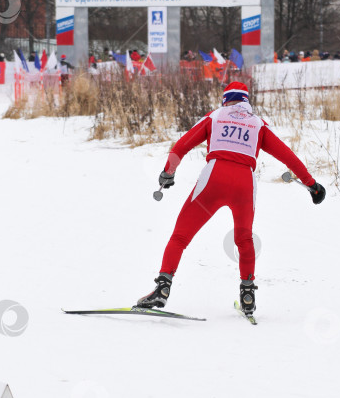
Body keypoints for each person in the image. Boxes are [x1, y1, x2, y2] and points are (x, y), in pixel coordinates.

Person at [137, 81, 326, 316]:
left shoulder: (215, 116)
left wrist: (168, 173)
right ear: (247, 101)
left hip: (214, 178)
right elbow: (289, 157)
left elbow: (180, 147)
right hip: (244, 183)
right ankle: (248, 293)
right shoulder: (258, 124)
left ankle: (162, 288)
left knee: (180, 236)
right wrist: (311, 185)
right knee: (244, 239)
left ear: (225, 100)